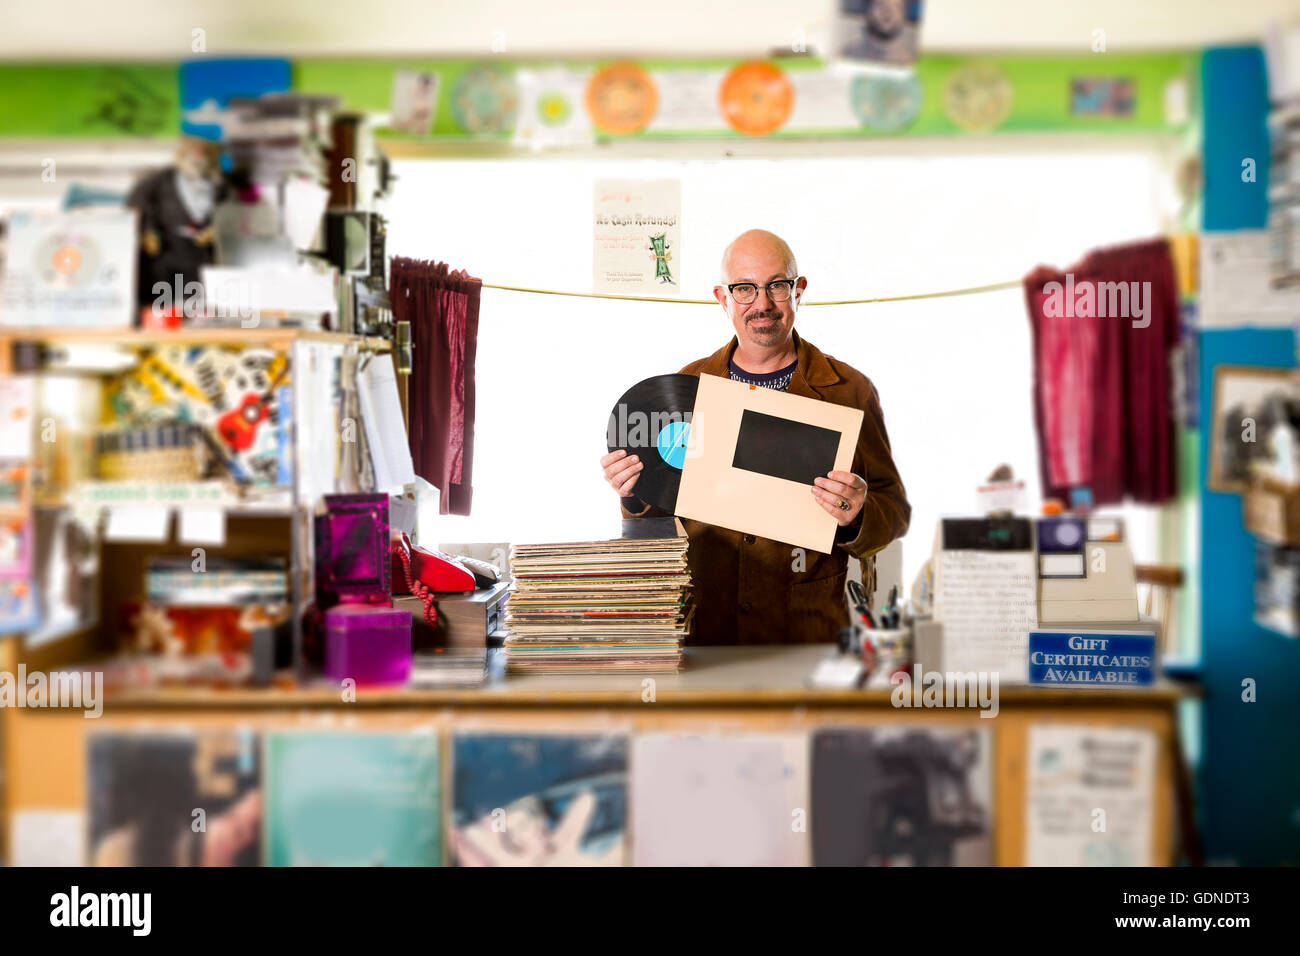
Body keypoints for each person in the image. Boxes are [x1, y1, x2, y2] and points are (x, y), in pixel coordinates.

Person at [600, 229, 910, 644]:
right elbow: (655, 526)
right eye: (744, 288)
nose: (761, 304)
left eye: (776, 286)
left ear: (798, 291)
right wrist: (633, 495)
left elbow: (894, 510)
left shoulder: (849, 389)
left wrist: (857, 515)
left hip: (806, 635)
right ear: (722, 297)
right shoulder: (686, 386)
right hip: (707, 634)